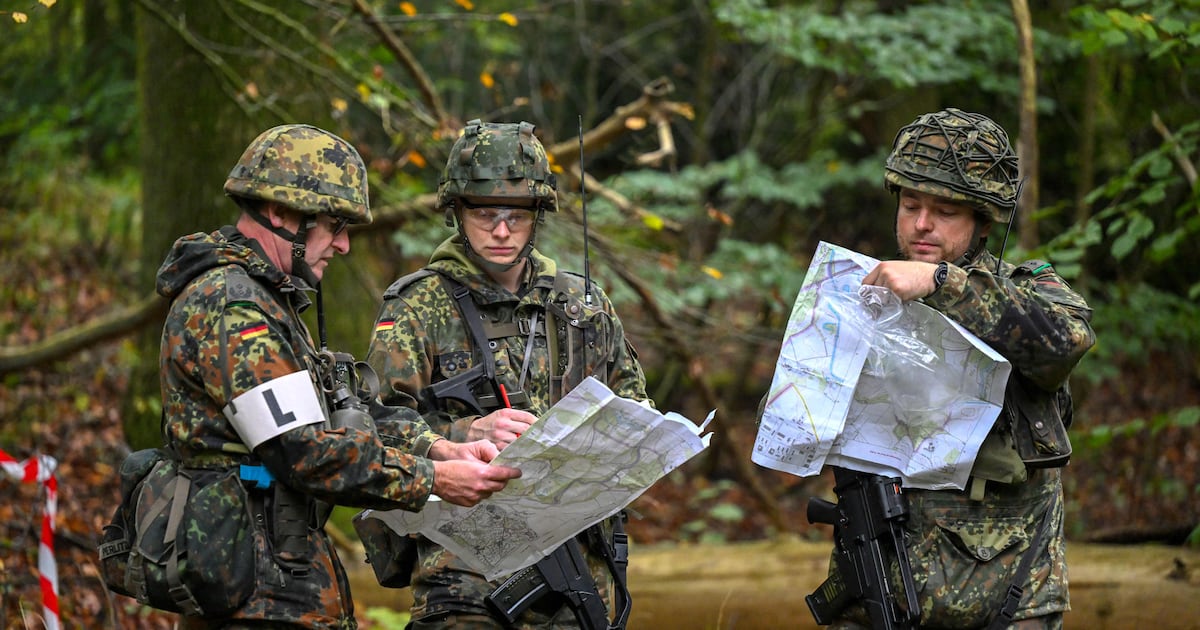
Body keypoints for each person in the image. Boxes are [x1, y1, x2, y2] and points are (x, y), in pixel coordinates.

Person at [154, 123, 522, 628]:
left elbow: (336, 413)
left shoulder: (267, 301)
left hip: (276, 587)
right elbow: (306, 450)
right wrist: (435, 479)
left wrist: (441, 449)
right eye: (334, 225)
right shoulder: (230, 305)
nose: (344, 245)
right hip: (250, 596)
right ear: (281, 212)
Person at [364, 119, 652, 629]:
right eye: (484, 214)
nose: (500, 231)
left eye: (515, 216)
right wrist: (461, 434)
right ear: (456, 213)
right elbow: (375, 424)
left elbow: (635, 411)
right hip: (465, 572)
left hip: (580, 565)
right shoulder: (418, 306)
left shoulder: (581, 305)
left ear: (538, 216)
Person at [818, 108, 1095, 629]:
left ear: (984, 222)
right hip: (878, 592)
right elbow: (792, 418)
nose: (922, 224)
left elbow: (1068, 340)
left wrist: (940, 282)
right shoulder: (858, 299)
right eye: (911, 205)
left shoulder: (1027, 291)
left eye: (945, 211)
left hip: (1010, 598)